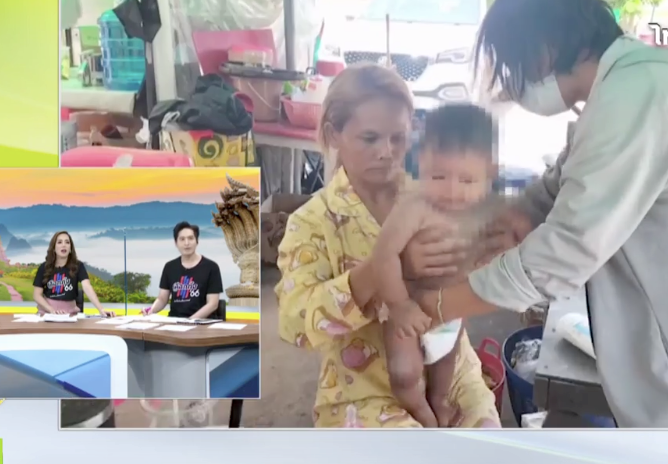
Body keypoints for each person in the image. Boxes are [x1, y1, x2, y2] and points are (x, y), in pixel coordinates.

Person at [407, 0, 668, 428]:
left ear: (544, 49)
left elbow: (557, 258)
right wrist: (516, 217)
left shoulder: (638, 96)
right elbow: (564, 180)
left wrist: (435, 305)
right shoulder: (635, 82)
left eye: (514, 67)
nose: (517, 86)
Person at [275, 64, 501, 428]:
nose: (386, 152)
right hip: (363, 390)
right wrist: (385, 271)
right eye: (369, 138)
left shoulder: (433, 191)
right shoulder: (313, 222)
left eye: (398, 138)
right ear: (333, 135)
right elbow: (294, 323)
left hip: (449, 370)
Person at [374, 103, 500, 427]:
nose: (452, 190)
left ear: (490, 174)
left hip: (450, 313)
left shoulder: (485, 212)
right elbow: (383, 256)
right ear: (421, 163)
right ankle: (422, 413)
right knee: (404, 374)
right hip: (410, 306)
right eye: (439, 176)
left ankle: (438, 401)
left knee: (445, 363)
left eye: (467, 179)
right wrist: (399, 306)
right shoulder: (415, 208)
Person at [143, 222, 223, 319]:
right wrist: (151, 310)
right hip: (174, 322)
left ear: (197, 241)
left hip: (201, 323)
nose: (186, 243)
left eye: (190, 238)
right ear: (176, 243)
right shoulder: (170, 267)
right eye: (182, 239)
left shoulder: (211, 267)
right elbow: (162, 298)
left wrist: (189, 321)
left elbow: (212, 304)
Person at [33, 231, 114, 317]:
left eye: (67, 242)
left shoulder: (78, 266)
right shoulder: (44, 267)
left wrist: (101, 309)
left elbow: (87, 287)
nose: (64, 245)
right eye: (59, 242)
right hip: (47, 313)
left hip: (70, 314)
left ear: (70, 248)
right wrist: (51, 310)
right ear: (53, 248)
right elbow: (36, 295)